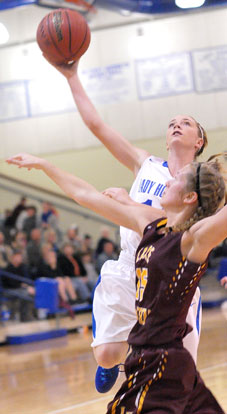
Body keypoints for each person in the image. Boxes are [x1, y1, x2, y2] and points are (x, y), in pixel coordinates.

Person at [6, 152, 226, 413]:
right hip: (147, 358)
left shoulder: (194, 240)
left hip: (163, 364)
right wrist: (44, 165)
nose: (166, 182)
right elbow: (86, 196)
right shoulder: (150, 225)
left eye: (176, 179)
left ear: (190, 197)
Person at [42, 58, 210, 393]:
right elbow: (97, 126)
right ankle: (116, 351)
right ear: (165, 141)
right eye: (172, 123)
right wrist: (72, 77)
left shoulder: (203, 185)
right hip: (129, 271)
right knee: (105, 356)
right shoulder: (144, 164)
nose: (177, 125)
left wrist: (127, 202)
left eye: (186, 123)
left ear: (199, 142)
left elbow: (177, 228)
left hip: (174, 285)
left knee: (180, 382)